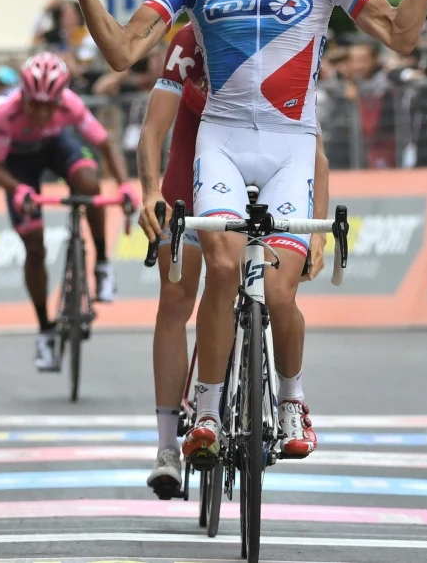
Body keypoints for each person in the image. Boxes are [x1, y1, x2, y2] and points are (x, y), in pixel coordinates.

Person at [53, 0, 427, 465]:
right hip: (223, 142)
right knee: (223, 265)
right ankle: (206, 408)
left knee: (283, 294)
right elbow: (124, 52)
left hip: (291, 146)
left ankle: (291, 398)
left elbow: (400, 34)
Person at [136, 24, 331, 495]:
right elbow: (154, 128)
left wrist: (318, 230)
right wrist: (150, 191)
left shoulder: (275, 35)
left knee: (271, 282)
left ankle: (277, 395)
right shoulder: (190, 41)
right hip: (191, 164)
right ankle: (167, 445)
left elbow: (312, 151)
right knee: (178, 295)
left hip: (267, 167)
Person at [0, 52, 134, 371]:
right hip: (18, 165)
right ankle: (44, 331)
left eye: (48, 106)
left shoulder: (70, 105)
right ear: (22, 94)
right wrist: (18, 190)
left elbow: (106, 144)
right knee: (34, 247)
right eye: (34, 104)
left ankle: (103, 265)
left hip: (55, 147)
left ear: (60, 99)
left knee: (89, 184)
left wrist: (124, 186)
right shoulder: (4, 112)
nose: (40, 112)